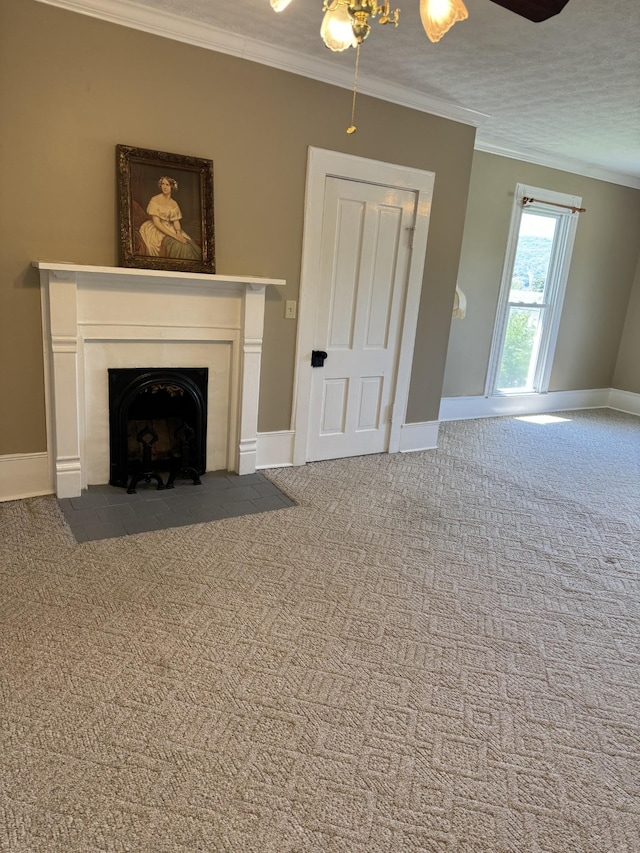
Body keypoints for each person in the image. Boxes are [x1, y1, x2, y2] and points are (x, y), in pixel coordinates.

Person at [138, 176, 202, 261]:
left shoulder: (174, 203)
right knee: (180, 246)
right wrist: (175, 236)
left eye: (167, 185)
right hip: (157, 229)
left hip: (170, 227)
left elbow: (176, 221)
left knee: (189, 246)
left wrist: (178, 233)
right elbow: (157, 223)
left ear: (172, 187)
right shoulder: (155, 200)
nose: (164, 187)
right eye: (163, 184)